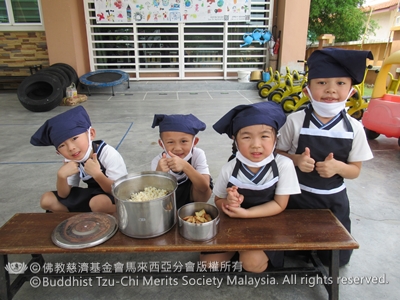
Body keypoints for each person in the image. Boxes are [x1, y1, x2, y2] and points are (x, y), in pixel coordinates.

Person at [276, 48, 374, 267]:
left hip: (333, 202)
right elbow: (277, 153)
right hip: (295, 197)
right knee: (288, 252)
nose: (330, 90)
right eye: (321, 83)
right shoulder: (295, 120)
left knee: (336, 261)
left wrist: (338, 167)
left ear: (352, 91)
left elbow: (355, 171)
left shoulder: (355, 128)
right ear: (307, 90)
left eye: (340, 83)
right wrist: (296, 160)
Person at [200, 101, 301, 273]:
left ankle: (248, 252)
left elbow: (280, 204)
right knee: (208, 264)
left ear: (276, 138)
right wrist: (229, 202)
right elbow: (217, 200)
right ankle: (238, 248)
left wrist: (247, 213)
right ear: (235, 140)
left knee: (253, 265)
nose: (256, 144)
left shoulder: (283, 165)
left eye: (264, 136)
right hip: (234, 224)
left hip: (268, 223)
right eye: (246, 137)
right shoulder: (230, 167)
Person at [30, 106, 128, 213]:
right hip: (92, 194)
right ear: (58, 152)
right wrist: (61, 176)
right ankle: (80, 220)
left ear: (91, 134)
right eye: (62, 145)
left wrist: (97, 174)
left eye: (75, 139)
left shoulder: (108, 153)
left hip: (112, 194)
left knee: (98, 203)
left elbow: (120, 191)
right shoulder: (71, 159)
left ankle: (126, 213)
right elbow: (64, 194)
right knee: (47, 200)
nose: (71, 148)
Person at [151, 114, 213, 209]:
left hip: (193, 194)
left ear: (194, 142)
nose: (177, 148)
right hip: (172, 198)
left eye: (184, 141)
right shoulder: (158, 161)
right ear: (161, 143)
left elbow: (204, 187)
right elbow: (155, 193)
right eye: (170, 142)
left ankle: (195, 208)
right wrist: (159, 173)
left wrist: (185, 166)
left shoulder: (198, 154)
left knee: (203, 185)